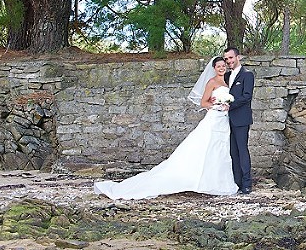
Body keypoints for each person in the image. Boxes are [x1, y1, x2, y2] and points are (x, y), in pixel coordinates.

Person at [93, 56, 238, 199]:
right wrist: (218, 105)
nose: (221, 68)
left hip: (224, 121)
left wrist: (227, 105)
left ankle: (217, 182)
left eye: (223, 65)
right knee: (206, 147)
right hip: (213, 119)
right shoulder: (211, 82)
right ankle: (196, 180)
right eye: (218, 66)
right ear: (214, 68)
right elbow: (203, 103)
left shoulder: (227, 81)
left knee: (220, 149)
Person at [223, 46, 255, 194]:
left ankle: (247, 184)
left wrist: (230, 105)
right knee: (232, 152)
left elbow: (247, 96)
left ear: (238, 57)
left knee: (242, 151)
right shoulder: (227, 76)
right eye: (226, 59)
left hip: (241, 119)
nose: (228, 61)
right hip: (226, 120)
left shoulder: (247, 75)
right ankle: (237, 183)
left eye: (231, 58)